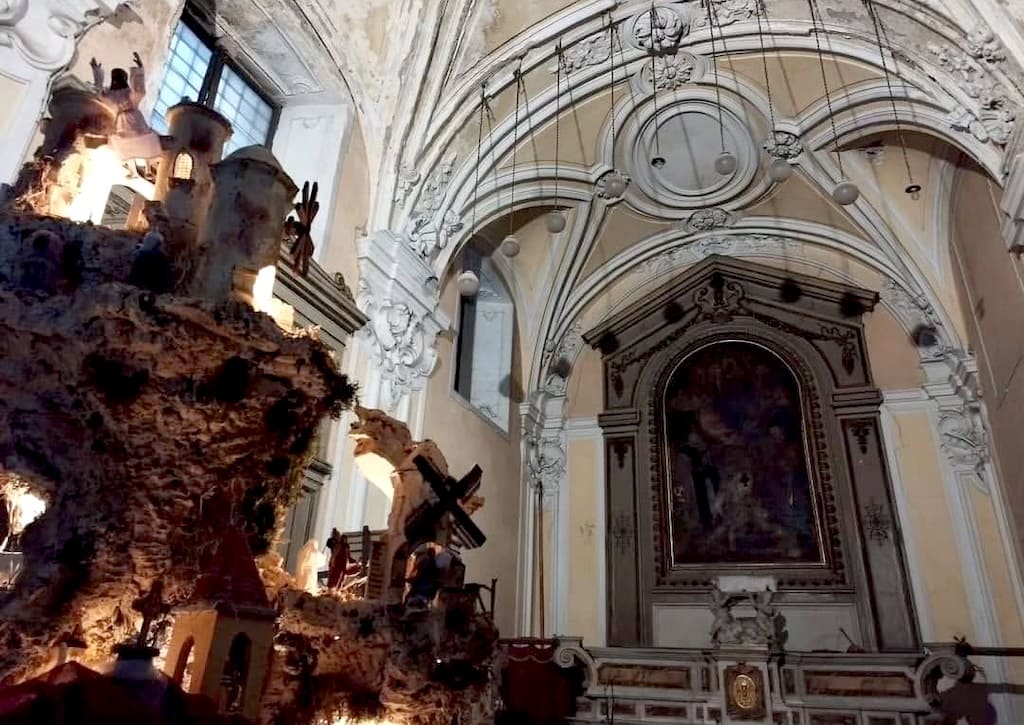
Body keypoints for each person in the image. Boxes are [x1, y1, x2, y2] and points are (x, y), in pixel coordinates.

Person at [90, 52, 161, 163]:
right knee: (122, 142)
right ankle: (129, 161)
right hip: (119, 125)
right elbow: (98, 94)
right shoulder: (109, 95)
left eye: (118, 78)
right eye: (114, 78)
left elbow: (139, 91)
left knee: (139, 139)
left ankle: (144, 160)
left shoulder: (130, 94)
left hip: (134, 122)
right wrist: (96, 71)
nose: (116, 81)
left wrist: (139, 69)